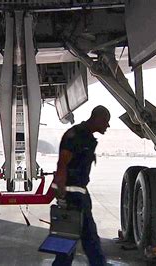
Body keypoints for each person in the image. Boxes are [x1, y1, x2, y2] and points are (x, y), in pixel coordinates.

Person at [52, 105, 110, 266]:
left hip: (79, 194)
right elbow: (62, 163)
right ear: (97, 118)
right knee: (88, 237)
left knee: (70, 237)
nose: (108, 125)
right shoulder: (75, 135)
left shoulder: (85, 136)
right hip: (73, 196)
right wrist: (61, 193)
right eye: (106, 121)